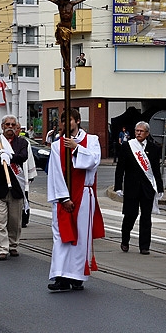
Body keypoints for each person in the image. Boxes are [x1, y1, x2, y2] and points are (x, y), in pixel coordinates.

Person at [47, 108, 104, 292]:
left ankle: (77, 276)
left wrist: (77, 148)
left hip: (84, 195)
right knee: (62, 236)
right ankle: (61, 275)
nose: (66, 124)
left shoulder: (92, 140)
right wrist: (64, 198)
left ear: (78, 121)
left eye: (70, 120)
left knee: (81, 236)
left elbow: (94, 161)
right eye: (63, 121)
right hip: (65, 196)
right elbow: (55, 173)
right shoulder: (57, 146)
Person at [114, 121, 164, 255]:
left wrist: (160, 187)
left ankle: (144, 246)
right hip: (131, 188)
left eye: (141, 131)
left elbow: (155, 170)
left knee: (146, 217)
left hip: (147, 188)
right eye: (137, 131)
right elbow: (120, 168)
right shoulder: (127, 146)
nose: (138, 133)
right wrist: (118, 186)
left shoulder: (154, 148)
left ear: (147, 133)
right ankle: (125, 240)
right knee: (130, 215)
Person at [0, 115, 28, 261]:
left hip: (15, 188)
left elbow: (23, 156)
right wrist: (0, 153)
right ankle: (2, 249)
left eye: (13, 124)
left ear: (16, 127)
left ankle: (13, 245)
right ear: (3, 126)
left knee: (15, 221)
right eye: (7, 124)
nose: (10, 127)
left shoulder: (22, 142)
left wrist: (9, 156)